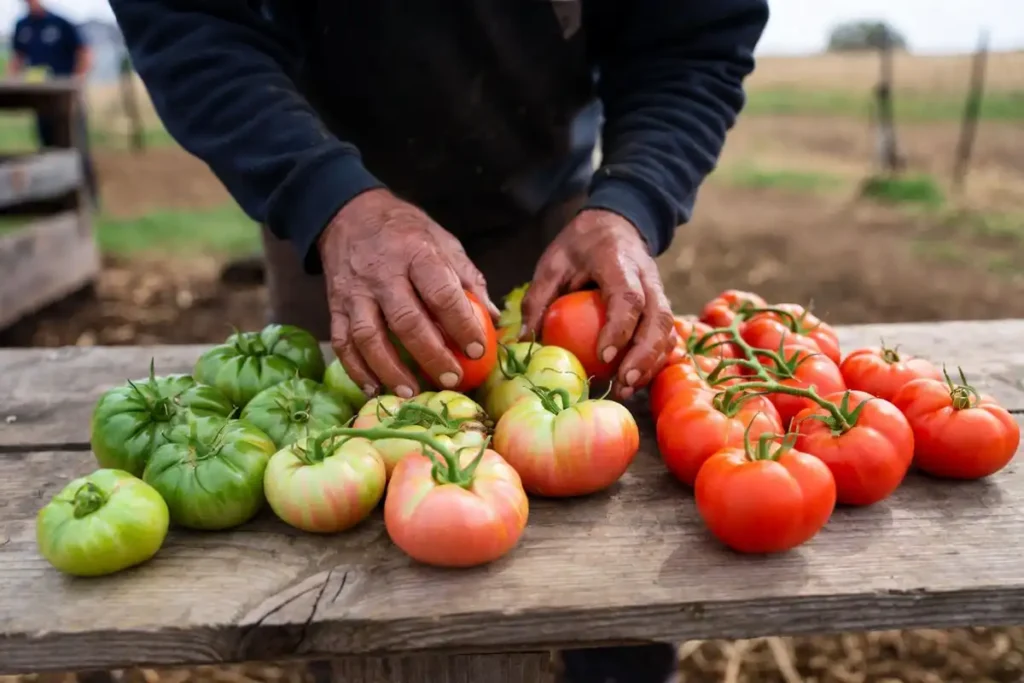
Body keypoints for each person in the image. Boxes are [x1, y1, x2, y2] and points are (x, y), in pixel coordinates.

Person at [109, 2, 768, 682]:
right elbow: (188, 23)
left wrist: (634, 200)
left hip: (547, 209)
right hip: (325, 205)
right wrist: (324, 197)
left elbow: (695, 34)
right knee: (338, 568)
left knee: (611, 563)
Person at [7, 0, 98, 205]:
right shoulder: (22, 26)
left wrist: (77, 81)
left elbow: (85, 52)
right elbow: (17, 59)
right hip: (42, 101)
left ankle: (88, 200)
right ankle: (56, 200)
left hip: (66, 101)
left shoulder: (61, 23)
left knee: (77, 147)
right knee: (47, 148)